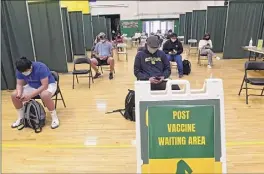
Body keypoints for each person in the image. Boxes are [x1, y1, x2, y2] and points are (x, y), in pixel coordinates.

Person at [11, 57, 59, 129]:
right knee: (14, 95)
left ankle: (54, 118)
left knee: (44, 95)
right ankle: (21, 118)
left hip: (48, 85)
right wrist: (19, 94)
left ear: (30, 66)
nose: (25, 73)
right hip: (32, 86)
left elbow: (44, 86)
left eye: (26, 71)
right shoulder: (20, 70)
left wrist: (30, 95)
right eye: (23, 72)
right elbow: (19, 84)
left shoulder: (40, 67)